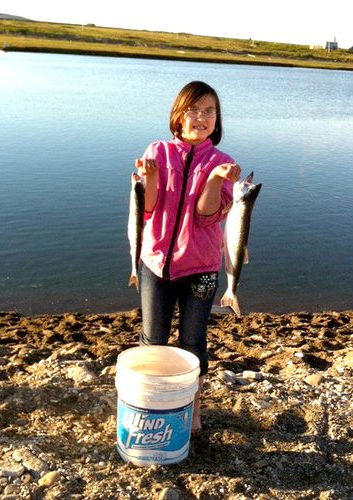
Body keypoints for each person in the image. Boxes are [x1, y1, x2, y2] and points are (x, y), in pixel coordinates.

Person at [135, 81, 241, 432]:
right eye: (193, 110)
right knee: (153, 339)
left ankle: (193, 408)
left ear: (217, 119)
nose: (201, 117)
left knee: (192, 340)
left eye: (209, 111)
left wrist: (213, 180)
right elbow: (147, 208)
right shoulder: (158, 152)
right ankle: (152, 402)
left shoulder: (224, 163)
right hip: (155, 265)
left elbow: (206, 216)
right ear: (178, 115)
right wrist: (149, 178)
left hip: (203, 270)